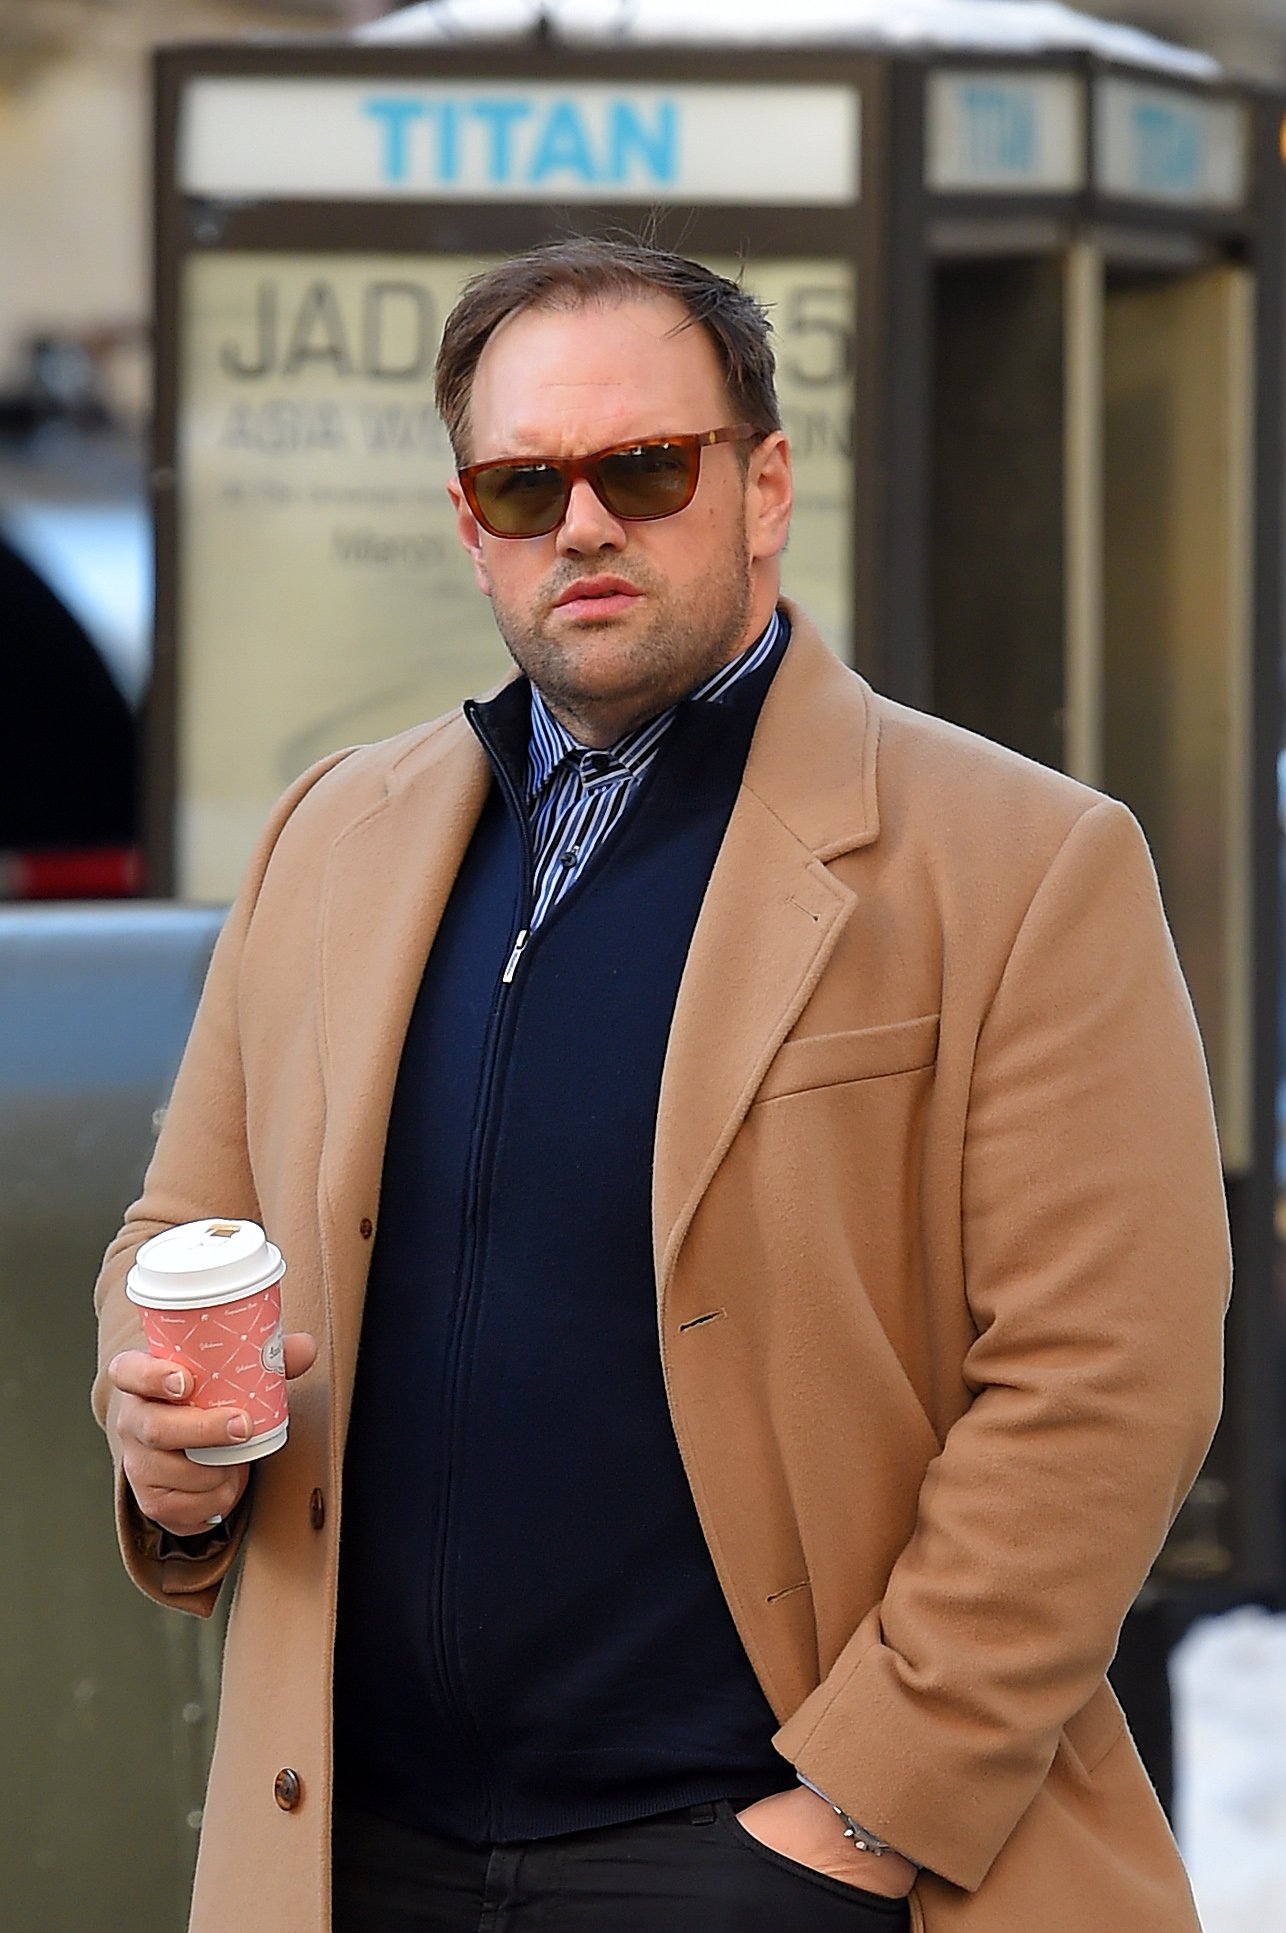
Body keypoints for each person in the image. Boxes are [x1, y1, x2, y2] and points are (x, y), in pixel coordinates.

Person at [94, 237, 1228, 1933]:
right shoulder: (330, 834)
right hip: (351, 1852)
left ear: (761, 484)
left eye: (643, 466)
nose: (586, 522)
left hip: (770, 1858)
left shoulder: (1023, 858)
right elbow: (185, 1228)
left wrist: (854, 1809)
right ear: (471, 526)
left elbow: (1105, 1381)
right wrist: (168, 1453)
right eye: (522, 481)